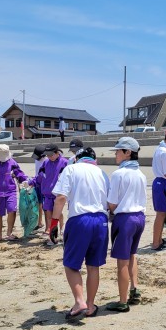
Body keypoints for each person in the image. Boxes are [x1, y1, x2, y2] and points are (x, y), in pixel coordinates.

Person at [50, 147, 109, 320]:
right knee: (93, 266)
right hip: (101, 220)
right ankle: (90, 305)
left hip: (80, 220)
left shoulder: (71, 169)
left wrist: (54, 223)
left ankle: (79, 301)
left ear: (77, 158)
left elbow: (61, 198)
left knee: (71, 264)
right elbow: (110, 202)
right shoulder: (102, 173)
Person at [106, 137, 147, 313]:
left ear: (128, 152)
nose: (116, 153)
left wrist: (108, 210)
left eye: (118, 150)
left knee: (122, 261)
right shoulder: (141, 174)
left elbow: (112, 203)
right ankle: (134, 290)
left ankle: (122, 301)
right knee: (132, 255)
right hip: (140, 217)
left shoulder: (119, 174)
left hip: (125, 219)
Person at [0, 144, 30, 241]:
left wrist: (25, 180)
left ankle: (9, 233)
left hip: (10, 191)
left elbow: (19, 173)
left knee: (12, 210)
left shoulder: (12, 162)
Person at [41, 143, 68, 244]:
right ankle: (52, 235)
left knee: (58, 214)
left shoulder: (65, 162)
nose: (49, 157)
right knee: (48, 214)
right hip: (47, 193)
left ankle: (61, 232)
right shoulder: (46, 162)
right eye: (47, 155)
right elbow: (40, 175)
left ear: (57, 153)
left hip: (59, 194)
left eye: (51, 155)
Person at [31, 145, 46, 230]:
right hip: (37, 183)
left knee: (43, 205)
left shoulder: (46, 161)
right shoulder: (37, 160)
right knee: (38, 203)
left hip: (44, 185)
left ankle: (43, 222)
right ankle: (39, 222)